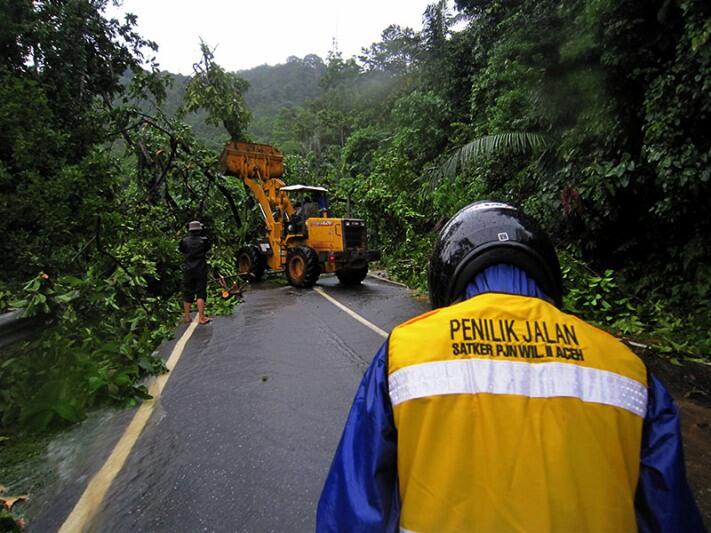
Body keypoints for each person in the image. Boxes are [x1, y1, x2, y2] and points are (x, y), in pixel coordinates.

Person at [316, 201, 704, 532]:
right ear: (544, 269)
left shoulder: (405, 352)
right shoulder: (627, 369)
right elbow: (669, 514)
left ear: (445, 274)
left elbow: (352, 511)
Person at [179, 220, 212, 325]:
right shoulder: (204, 241)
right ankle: (201, 317)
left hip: (188, 270)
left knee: (187, 292)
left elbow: (182, 250)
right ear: (199, 230)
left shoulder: (184, 241)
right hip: (200, 269)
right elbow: (208, 249)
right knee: (201, 292)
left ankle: (187, 317)